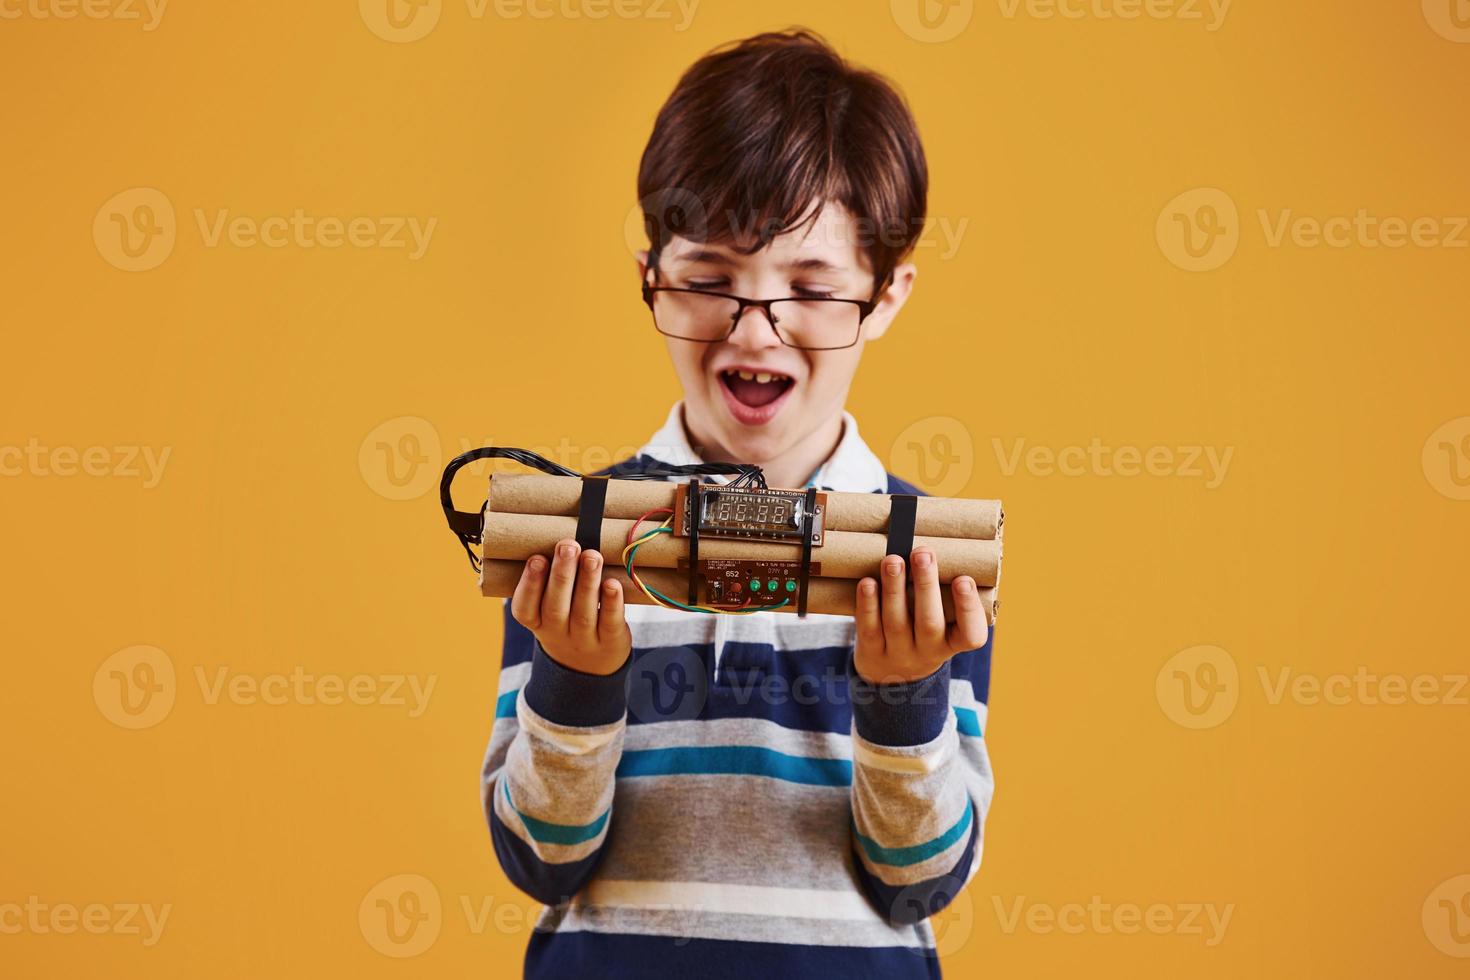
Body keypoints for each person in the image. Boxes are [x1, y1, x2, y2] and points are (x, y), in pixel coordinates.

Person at [482, 29, 995, 979]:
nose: (752, 326)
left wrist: (905, 692)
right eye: (710, 281)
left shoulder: (926, 559)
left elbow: (917, 885)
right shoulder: (576, 538)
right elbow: (538, 861)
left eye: (810, 288)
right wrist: (579, 675)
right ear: (651, 279)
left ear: (883, 298)